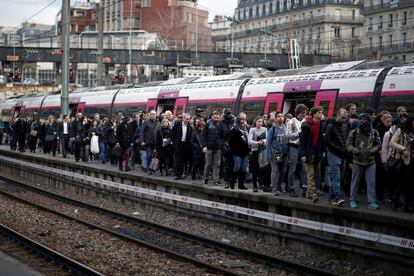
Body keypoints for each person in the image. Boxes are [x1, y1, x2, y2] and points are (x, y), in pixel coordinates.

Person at [346, 113, 381, 210]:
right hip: (357, 161)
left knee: (371, 182)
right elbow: (348, 145)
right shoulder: (354, 132)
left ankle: (371, 201)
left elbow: (378, 144)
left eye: (365, 119)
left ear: (369, 121)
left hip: (371, 161)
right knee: (355, 181)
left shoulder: (374, 132)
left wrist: (372, 151)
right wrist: (355, 150)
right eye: (361, 119)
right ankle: (352, 199)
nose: (362, 121)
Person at [300, 106, 324, 203]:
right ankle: (313, 194)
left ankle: (308, 195)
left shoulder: (320, 124)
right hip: (308, 153)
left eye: (321, 112)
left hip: (317, 153)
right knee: (311, 174)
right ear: (313, 114)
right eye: (319, 112)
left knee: (316, 174)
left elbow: (321, 140)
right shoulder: (306, 125)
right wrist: (303, 154)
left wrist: (322, 152)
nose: (321, 114)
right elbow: (302, 141)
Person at [325, 108, 349, 206]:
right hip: (334, 154)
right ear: (338, 115)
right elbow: (328, 141)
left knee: (339, 177)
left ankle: (331, 197)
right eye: (343, 118)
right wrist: (341, 149)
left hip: (343, 154)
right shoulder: (330, 126)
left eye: (345, 118)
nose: (344, 120)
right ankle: (338, 197)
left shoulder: (345, 126)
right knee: (336, 177)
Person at [389, 112, 412, 212]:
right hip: (405, 161)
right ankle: (395, 201)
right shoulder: (401, 131)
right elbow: (392, 143)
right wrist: (403, 149)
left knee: (411, 184)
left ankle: (407, 205)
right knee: (404, 183)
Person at [286, 104, 308, 197]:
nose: (304, 115)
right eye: (303, 113)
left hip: (302, 147)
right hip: (294, 147)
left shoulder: (305, 121)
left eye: (305, 113)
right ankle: (291, 189)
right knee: (292, 169)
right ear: (298, 112)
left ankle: (304, 189)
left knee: (304, 169)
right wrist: (298, 134)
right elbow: (287, 135)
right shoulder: (291, 121)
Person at [267, 112, 289, 196]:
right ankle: (274, 188)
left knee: (283, 171)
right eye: (279, 116)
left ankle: (279, 186)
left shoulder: (286, 128)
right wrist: (269, 155)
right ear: (276, 118)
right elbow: (268, 143)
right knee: (275, 170)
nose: (280, 118)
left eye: (282, 116)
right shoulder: (273, 129)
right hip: (276, 153)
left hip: (285, 153)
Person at [229, 114, 250, 190]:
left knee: (244, 168)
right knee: (237, 167)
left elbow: (249, 139)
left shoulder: (247, 129)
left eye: (244, 119)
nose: (243, 121)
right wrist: (237, 146)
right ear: (238, 120)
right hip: (237, 152)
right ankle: (232, 182)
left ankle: (241, 185)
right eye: (241, 119)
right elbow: (230, 142)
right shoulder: (234, 129)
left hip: (245, 151)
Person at [202, 111, 224, 185]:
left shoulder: (221, 125)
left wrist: (221, 144)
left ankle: (215, 180)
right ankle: (205, 178)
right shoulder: (207, 124)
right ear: (212, 117)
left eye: (218, 118)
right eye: (215, 118)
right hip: (209, 147)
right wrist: (204, 146)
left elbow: (223, 136)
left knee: (217, 164)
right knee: (208, 164)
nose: (216, 119)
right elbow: (204, 136)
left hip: (217, 148)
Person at [375, 113, 392, 201]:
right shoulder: (378, 129)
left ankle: (383, 194)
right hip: (379, 155)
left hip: (387, 155)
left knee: (385, 176)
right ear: (383, 121)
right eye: (387, 121)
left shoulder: (391, 130)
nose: (389, 123)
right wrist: (378, 150)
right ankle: (379, 195)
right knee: (380, 175)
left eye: (390, 121)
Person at [248, 116, 268, 192]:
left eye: (261, 122)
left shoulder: (265, 129)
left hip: (263, 150)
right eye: (259, 121)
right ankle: (254, 185)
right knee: (255, 168)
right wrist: (257, 143)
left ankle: (262, 184)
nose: (260, 123)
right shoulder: (252, 129)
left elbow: (267, 138)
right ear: (255, 122)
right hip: (255, 150)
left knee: (263, 168)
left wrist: (264, 141)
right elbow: (249, 141)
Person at [171, 113, 192, 179]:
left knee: (183, 160)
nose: (187, 120)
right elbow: (172, 133)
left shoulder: (189, 126)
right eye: (186, 119)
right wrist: (174, 142)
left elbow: (189, 136)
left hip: (185, 144)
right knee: (177, 159)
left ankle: (180, 174)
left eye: (189, 119)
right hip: (178, 144)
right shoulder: (177, 124)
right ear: (183, 118)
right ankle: (175, 174)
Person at [220, 109, 235, 188]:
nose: (229, 115)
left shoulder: (235, 122)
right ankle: (226, 181)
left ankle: (231, 180)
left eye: (229, 113)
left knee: (233, 164)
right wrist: (222, 145)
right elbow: (219, 136)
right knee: (226, 165)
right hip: (225, 146)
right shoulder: (221, 123)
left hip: (234, 146)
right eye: (227, 113)